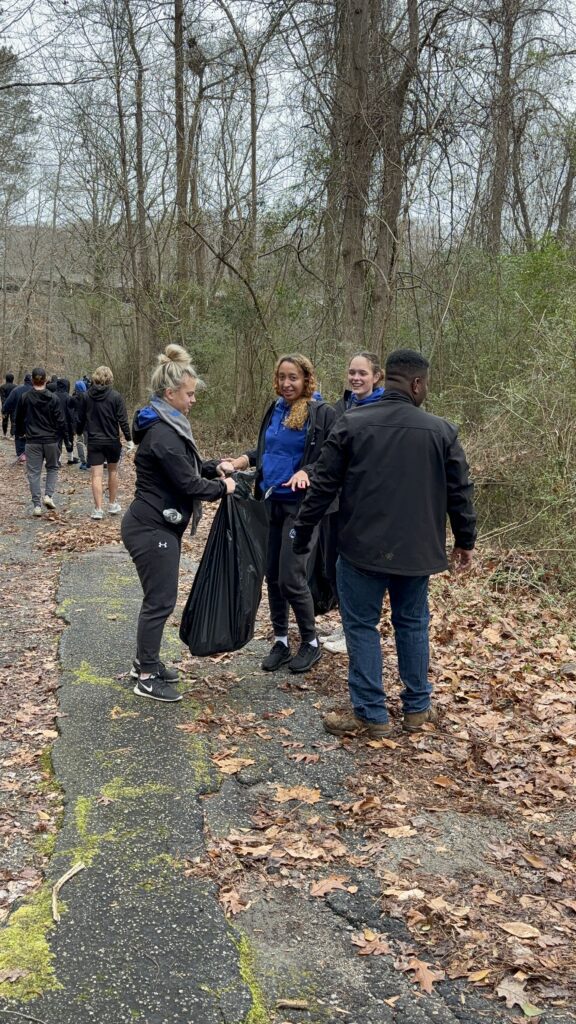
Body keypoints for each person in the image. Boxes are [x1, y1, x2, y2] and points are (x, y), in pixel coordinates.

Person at [292, 348, 477, 736]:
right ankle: (416, 709)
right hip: (416, 553)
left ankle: (372, 715)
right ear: (416, 383)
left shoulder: (353, 423)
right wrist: (465, 540)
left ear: (383, 378)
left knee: (361, 626)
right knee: (412, 624)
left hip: (361, 549)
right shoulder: (441, 431)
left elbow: (323, 484)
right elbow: (460, 490)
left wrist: (303, 531)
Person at [121, 344, 235, 703]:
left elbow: (185, 469)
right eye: (189, 394)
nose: (193, 400)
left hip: (156, 523)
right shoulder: (164, 434)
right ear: (170, 394)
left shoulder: (167, 425)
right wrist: (223, 486)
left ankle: (146, 661)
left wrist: (212, 465)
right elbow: (188, 484)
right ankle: (146, 676)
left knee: (158, 599)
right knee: (160, 601)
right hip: (151, 528)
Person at [229, 354, 336, 674]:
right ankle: (280, 641)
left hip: (302, 507)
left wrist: (308, 472)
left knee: (291, 576)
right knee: (273, 575)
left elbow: (333, 456)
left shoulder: (320, 412)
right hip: (272, 502)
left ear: (306, 380)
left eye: (294, 378)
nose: (287, 384)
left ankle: (310, 642)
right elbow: (268, 450)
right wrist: (242, 461)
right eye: (282, 377)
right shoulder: (275, 409)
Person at [322, 351, 386, 654]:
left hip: (367, 504)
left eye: (362, 373)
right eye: (352, 372)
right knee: (336, 564)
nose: (356, 378)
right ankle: (347, 624)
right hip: (338, 501)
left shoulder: (384, 409)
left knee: (359, 569)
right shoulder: (342, 407)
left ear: (377, 376)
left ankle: (357, 628)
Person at [75, 365, 131, 518]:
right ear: (110, 379)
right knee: (113, 471)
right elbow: (123, 420)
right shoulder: (116, 396)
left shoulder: (86, 396)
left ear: (95, 377)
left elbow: (80, 418)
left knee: (96, 475)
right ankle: (112, 505)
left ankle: (98, 509)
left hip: (94, 440)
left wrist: (78, 432)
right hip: (112, 440)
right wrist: (129, 438)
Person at [14, 367, 70, 516]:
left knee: (34, 473)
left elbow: (18, 418)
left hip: (32, 441)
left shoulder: (25, 397)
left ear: (32, 380)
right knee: (52, 468)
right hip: (51, 440)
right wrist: (65, 439)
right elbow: (61, 421)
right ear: (45, 380)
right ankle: (48, 495)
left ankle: (37, 505)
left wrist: (19, 433)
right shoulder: (54, 399)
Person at [3, 373, 33, 462]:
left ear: (24, 380)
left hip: (18, 417)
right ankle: (27, 453)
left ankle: (21, 454)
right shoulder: (36, 392)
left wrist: (4, 410)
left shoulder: (16, 390)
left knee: (19, 435)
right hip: (32, 419)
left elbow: (7, 403)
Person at [54, 378, 78, 464]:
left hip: (55, 424)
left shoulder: (52, 396)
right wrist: (74, 427)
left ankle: (58, 459)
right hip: (67, 424)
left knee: (57, 441)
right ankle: (70, 458)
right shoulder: (68, 397)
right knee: (69, 441)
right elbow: (71, 413)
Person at [70, 379, 89, 468]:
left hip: (78, 424)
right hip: (88, 423)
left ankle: (83, 461)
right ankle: (89, 460)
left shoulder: (74, 398)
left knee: (79, 442)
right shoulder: (89, 397)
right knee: (88, 442)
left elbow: (70, 407)